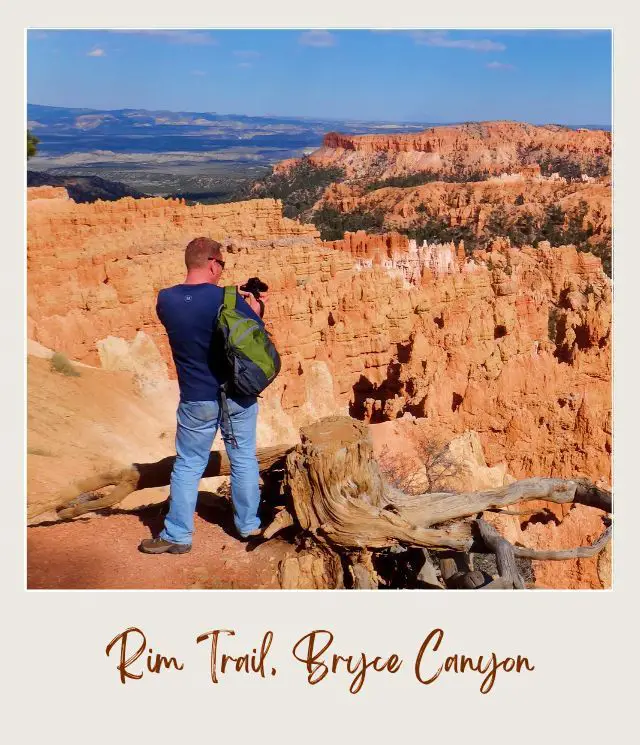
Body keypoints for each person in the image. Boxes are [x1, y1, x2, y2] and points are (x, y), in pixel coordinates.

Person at [139, 237, 265, 554]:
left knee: (188, 465)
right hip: (237, 396)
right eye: (221, 265)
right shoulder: (228, 299)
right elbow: (253, 335)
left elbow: (193, 309)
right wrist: (255, 307)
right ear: (212, 263)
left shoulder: (165, 300)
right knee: (244, 461)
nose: (222, 270)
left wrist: (222, 294)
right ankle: (248, 526)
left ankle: (178, 536)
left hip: (197, 400)